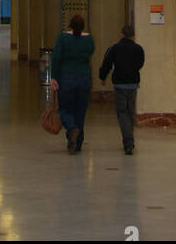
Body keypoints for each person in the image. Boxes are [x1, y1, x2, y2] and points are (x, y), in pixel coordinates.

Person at [50, 14, 94, 153]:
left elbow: (56, 58)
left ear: (70, 25)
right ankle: (77, 144)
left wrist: (54, 77)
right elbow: (90, 52)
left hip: (66, 78)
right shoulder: (89, 40)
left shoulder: (63, 38)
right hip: (84, 78)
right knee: (80, 112)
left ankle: (71, 128)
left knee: (64, 109)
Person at [99, 25, 145, 155]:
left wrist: (102, 77)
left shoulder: (114, 48)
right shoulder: (138, 49)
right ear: (133, 36)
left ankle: (128, 141)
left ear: (121, 34)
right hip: (133, 84)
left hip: (120, 85)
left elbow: (106, 63)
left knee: (122, 112)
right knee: (130, 112)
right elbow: (141, 63)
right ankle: (129, 138)